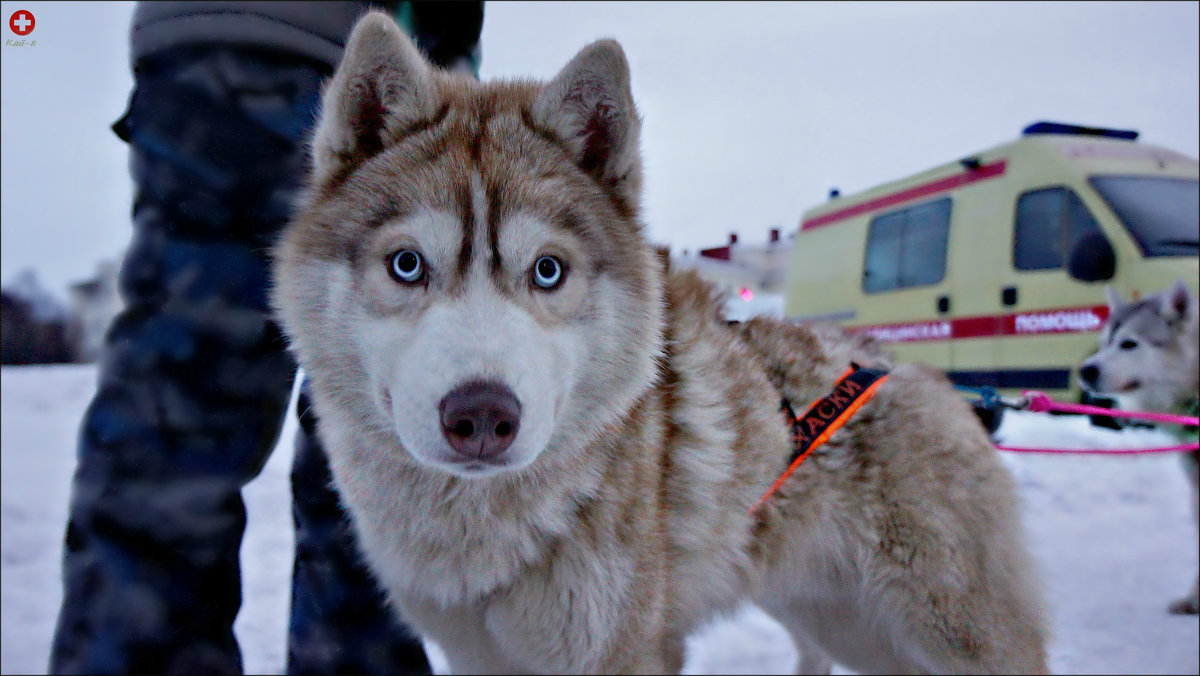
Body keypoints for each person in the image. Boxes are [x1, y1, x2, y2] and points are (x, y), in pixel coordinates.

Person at [48, 3, 484, 673]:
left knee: (182, 422)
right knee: (372, 446)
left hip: (210, 55)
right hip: (355, 62)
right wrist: (451, 58)